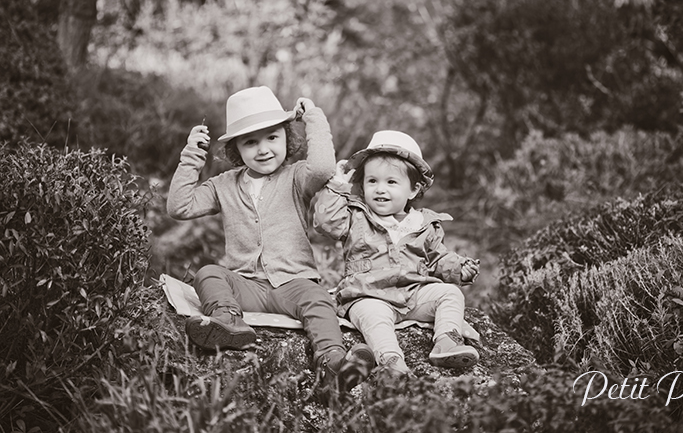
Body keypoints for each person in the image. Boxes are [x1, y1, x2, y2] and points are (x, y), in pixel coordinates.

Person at [167, 85, 375, 396]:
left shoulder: (295, 177)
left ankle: (332, 361)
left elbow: (322, 167)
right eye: (251, 142)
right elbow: (179, 207)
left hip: (293, 282)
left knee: (318, 301)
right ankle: (227, 320)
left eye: (273, 138)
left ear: (287, 138)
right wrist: (191, 157)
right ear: (236, 149)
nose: (263, 149)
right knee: (208, 273)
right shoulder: (223, 185)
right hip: (246, 285)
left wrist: (314, 119)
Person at [313, 130, 480, 376]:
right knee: (374, 318)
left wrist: (459, 269)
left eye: (391, 182)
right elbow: (325, 222)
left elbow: (437, 258)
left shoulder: (424, 223)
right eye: (372, 181)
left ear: (413, 190)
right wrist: (337, 186)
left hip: (414, 295)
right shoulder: (355, 216)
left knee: (449, 293)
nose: (380, 189)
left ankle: (446, 341)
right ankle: (392, 362)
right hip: (367, 294)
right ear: (361, 185)